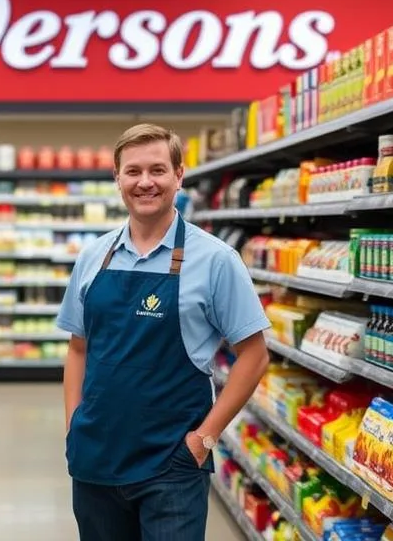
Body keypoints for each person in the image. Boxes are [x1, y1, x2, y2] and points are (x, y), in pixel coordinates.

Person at [56, 123, 270, 541]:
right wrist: (72, 428)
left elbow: (255, 355)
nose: (145, 182)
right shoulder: (92, 257)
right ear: (117, 179)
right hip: (95, 459)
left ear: (178, 176)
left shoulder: (215, 260)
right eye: (133, 172)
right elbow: (78, 349)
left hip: (172, 465)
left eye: (157, 170)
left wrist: (204, 440)